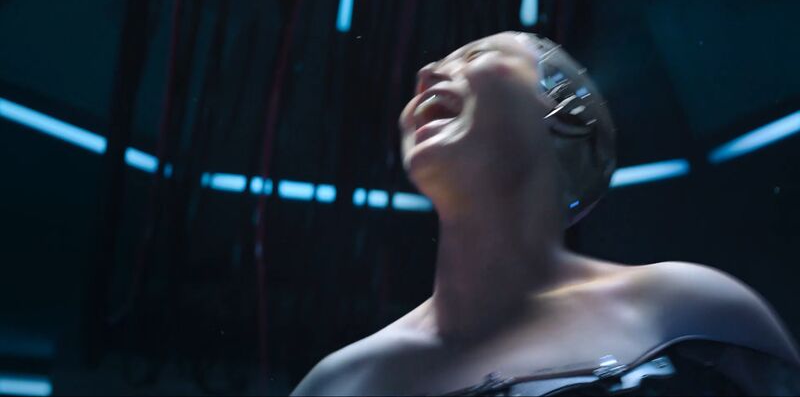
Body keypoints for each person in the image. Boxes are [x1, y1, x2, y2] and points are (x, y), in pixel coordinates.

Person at [290, 31, 800, 396]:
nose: (425, 75)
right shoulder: (340, 383)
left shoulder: (689, 309)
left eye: (477, 56)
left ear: (562, 115)